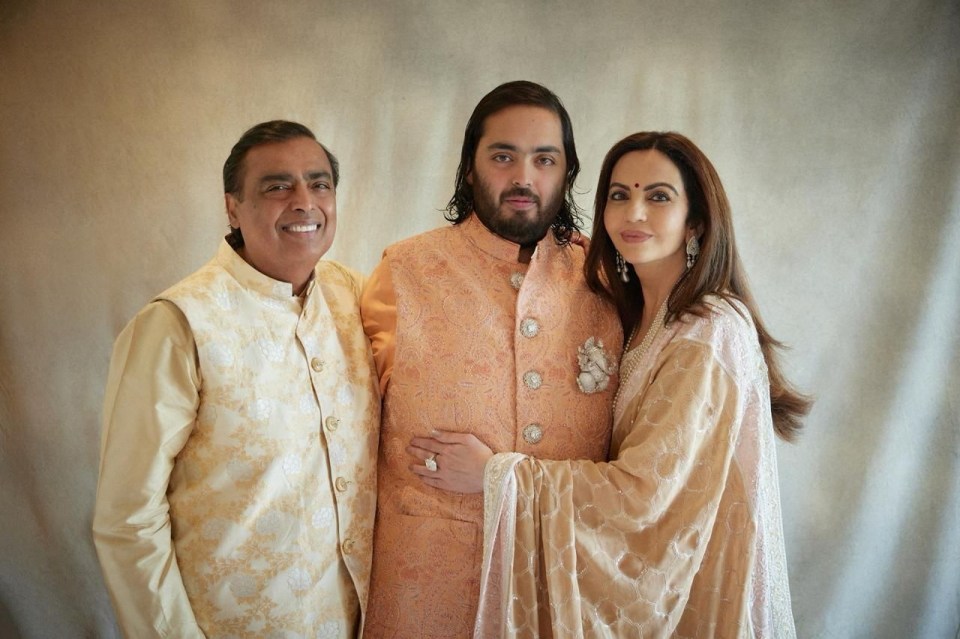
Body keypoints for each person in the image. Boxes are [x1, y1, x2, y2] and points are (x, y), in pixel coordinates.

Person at [413, 131, 811, 637]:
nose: (634, 213)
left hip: (701, 597)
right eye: (619, 196)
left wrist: (496, 474)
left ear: (697, 223)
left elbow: (646, 495)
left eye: (658, 197)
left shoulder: (708, 328)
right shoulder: (642, 319)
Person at [93, 121, 380, 638]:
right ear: (233, 208)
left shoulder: (355, 296)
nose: (304, 201)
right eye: (277, 186)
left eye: (319, 184)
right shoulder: (178, 324)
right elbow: (128, 520)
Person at [360, 81, 622, 637]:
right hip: (424, 591)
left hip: (562, 586)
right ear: (470, 167)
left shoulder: (606, 280)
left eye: (544, 159)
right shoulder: (404, 272)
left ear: (568, 173)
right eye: (503, 156)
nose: (523, 177)